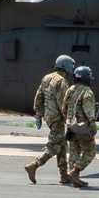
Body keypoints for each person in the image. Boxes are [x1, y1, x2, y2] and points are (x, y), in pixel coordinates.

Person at [24, 55, 75, 184]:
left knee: (62, 145)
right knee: (54, 145)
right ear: (66, 66)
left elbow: (39, 96)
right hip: (57, 117)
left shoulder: (47, 77)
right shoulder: (61, 81)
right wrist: (69, 119)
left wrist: (38, 114)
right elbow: (63, 103)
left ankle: (64, 175)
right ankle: (34, 165)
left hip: (48, 116)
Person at [62, 65, 99, 188]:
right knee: (90, 152)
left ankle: (74, 180)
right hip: (82, 128)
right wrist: (93, 126)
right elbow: (89, 112)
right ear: (87, 77)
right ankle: (75, 171)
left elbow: (64, 108)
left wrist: (68, 122)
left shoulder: (70, 89)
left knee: (74, 152)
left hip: (70, 127)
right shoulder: (87, 92)